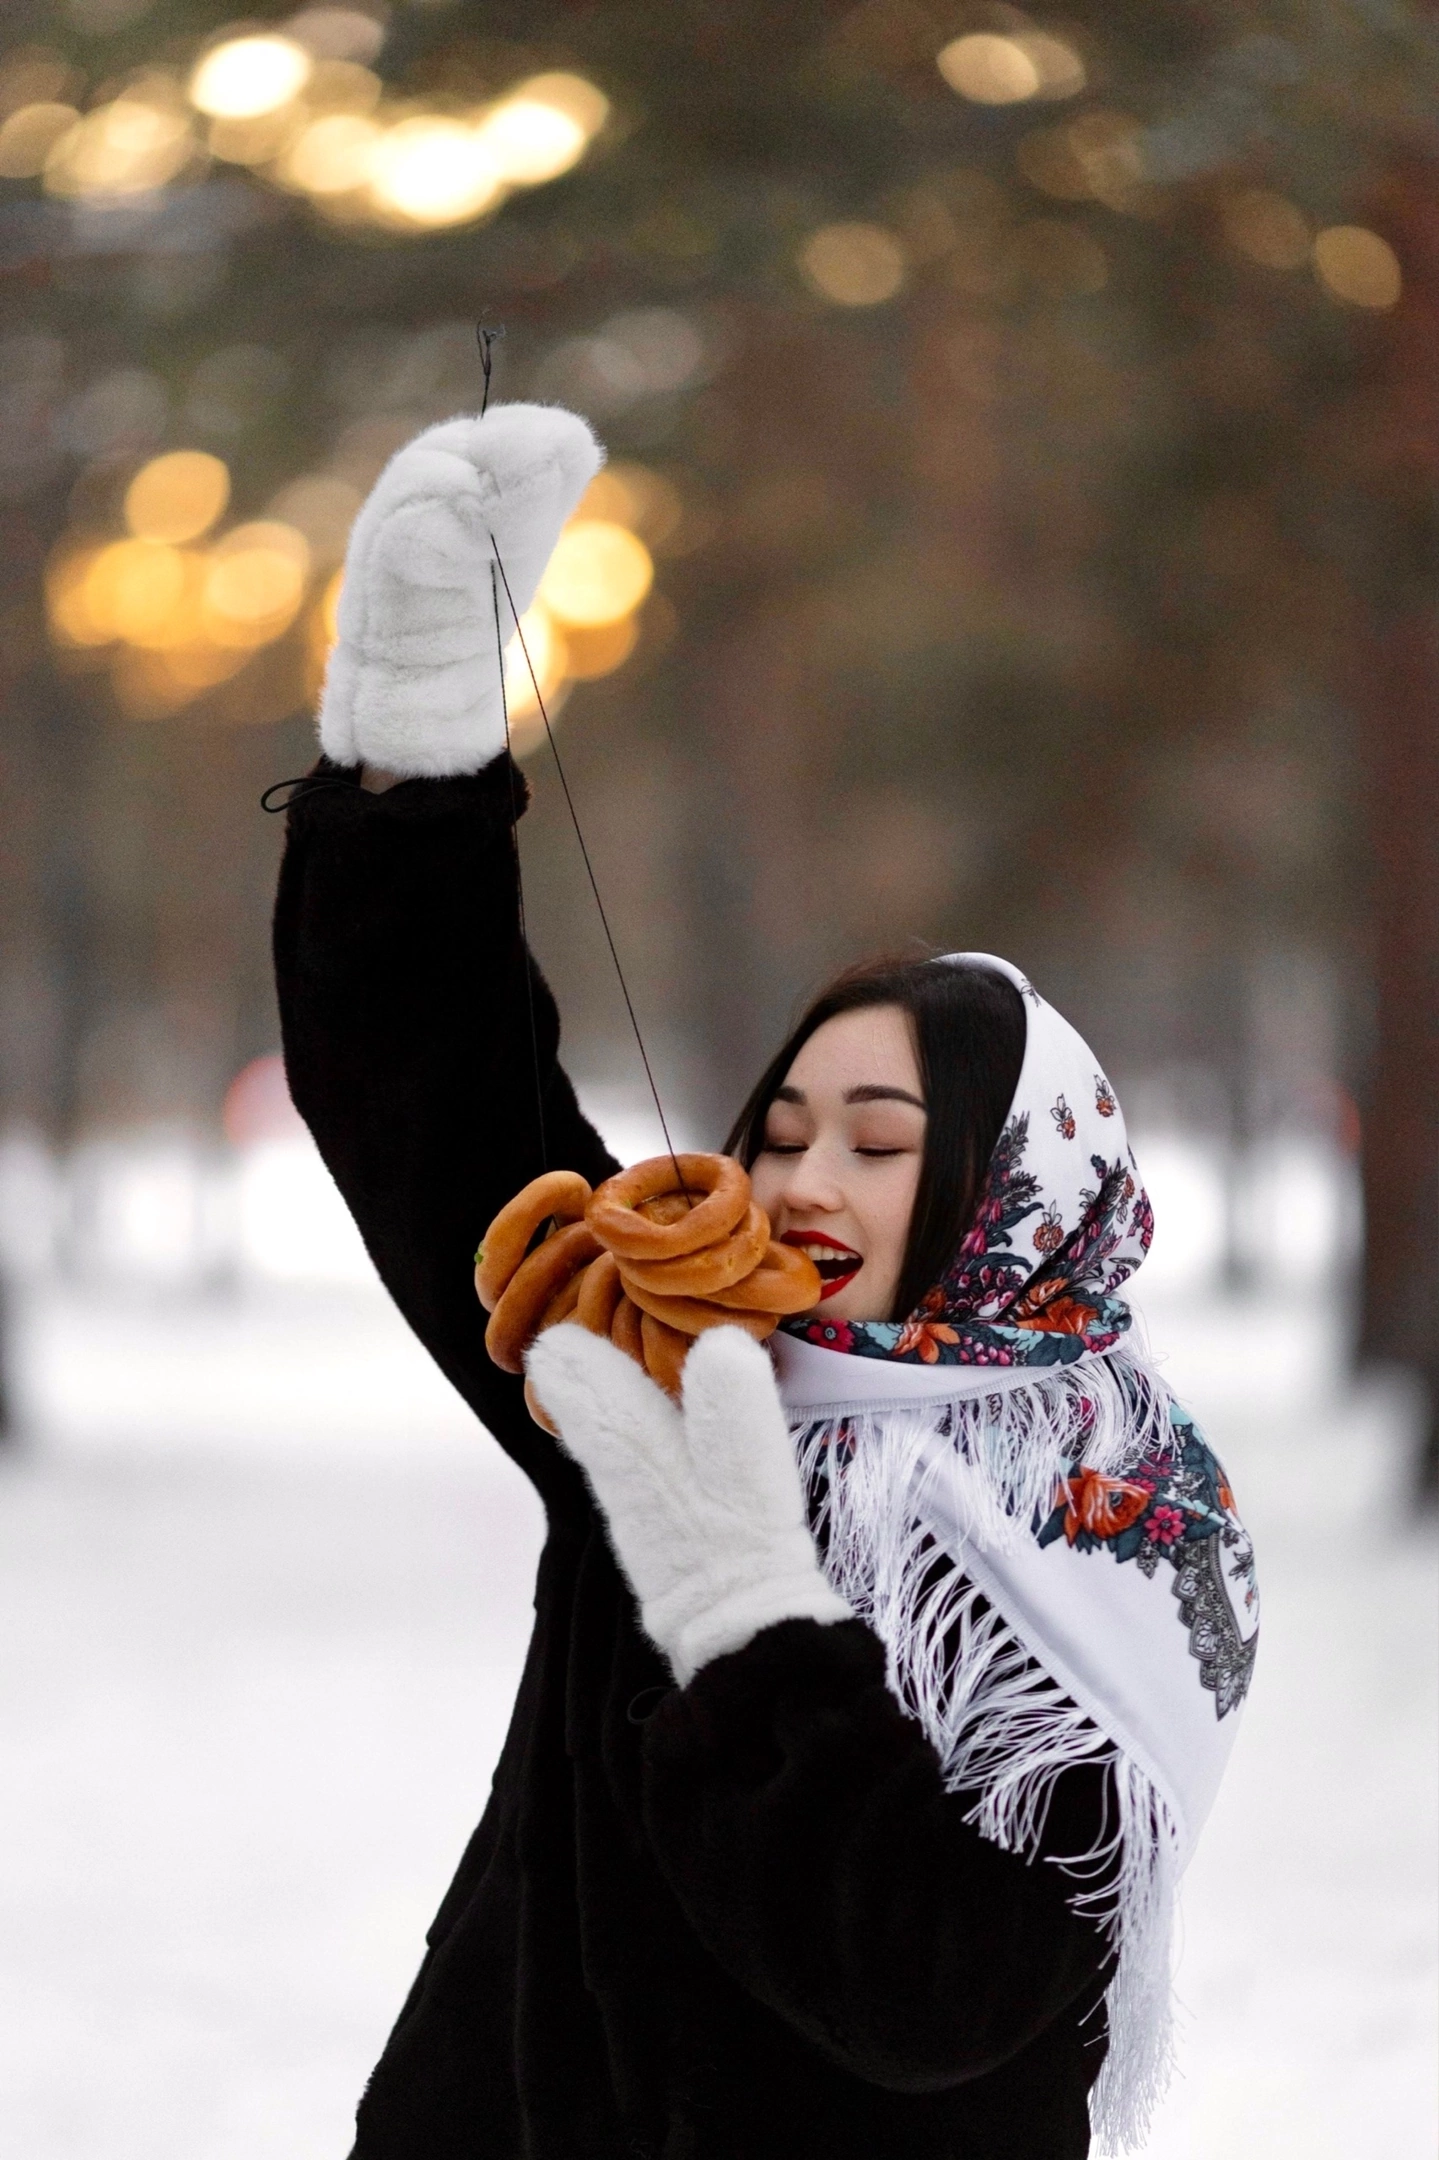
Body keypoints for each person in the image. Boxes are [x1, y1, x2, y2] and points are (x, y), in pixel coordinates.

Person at [272, 405, 1258, 2160]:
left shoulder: (1114, 1518)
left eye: (878, 1143)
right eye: (782, 1123)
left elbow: (938, 1999)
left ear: (1010, 1189)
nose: (800, 1178)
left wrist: (745, 1609)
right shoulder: (673, 1365)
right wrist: (414, 757)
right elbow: (440, 1120)